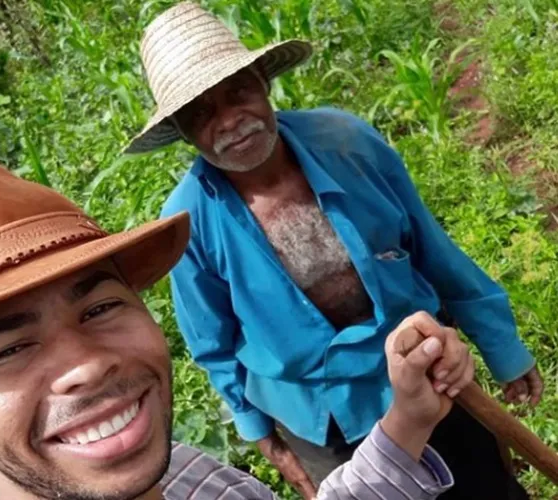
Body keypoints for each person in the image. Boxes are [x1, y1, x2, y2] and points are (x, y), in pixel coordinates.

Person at [0, 143, 470, 499]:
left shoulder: (187, 477)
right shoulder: (200, 203)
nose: (90, 363)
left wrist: (407, 419)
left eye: (99, 308)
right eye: (10, 349)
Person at [124, 2, 541, 499]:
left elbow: (433, 249)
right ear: (184, 132)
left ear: (264, 82)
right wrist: (264, 437)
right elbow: (212, 345)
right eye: (201, 113)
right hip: (322, 418)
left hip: (426, 369)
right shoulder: (190, 222)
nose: (230, 121)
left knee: (487, 488)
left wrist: (502, 348)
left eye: (238, 92)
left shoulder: (346, 142)